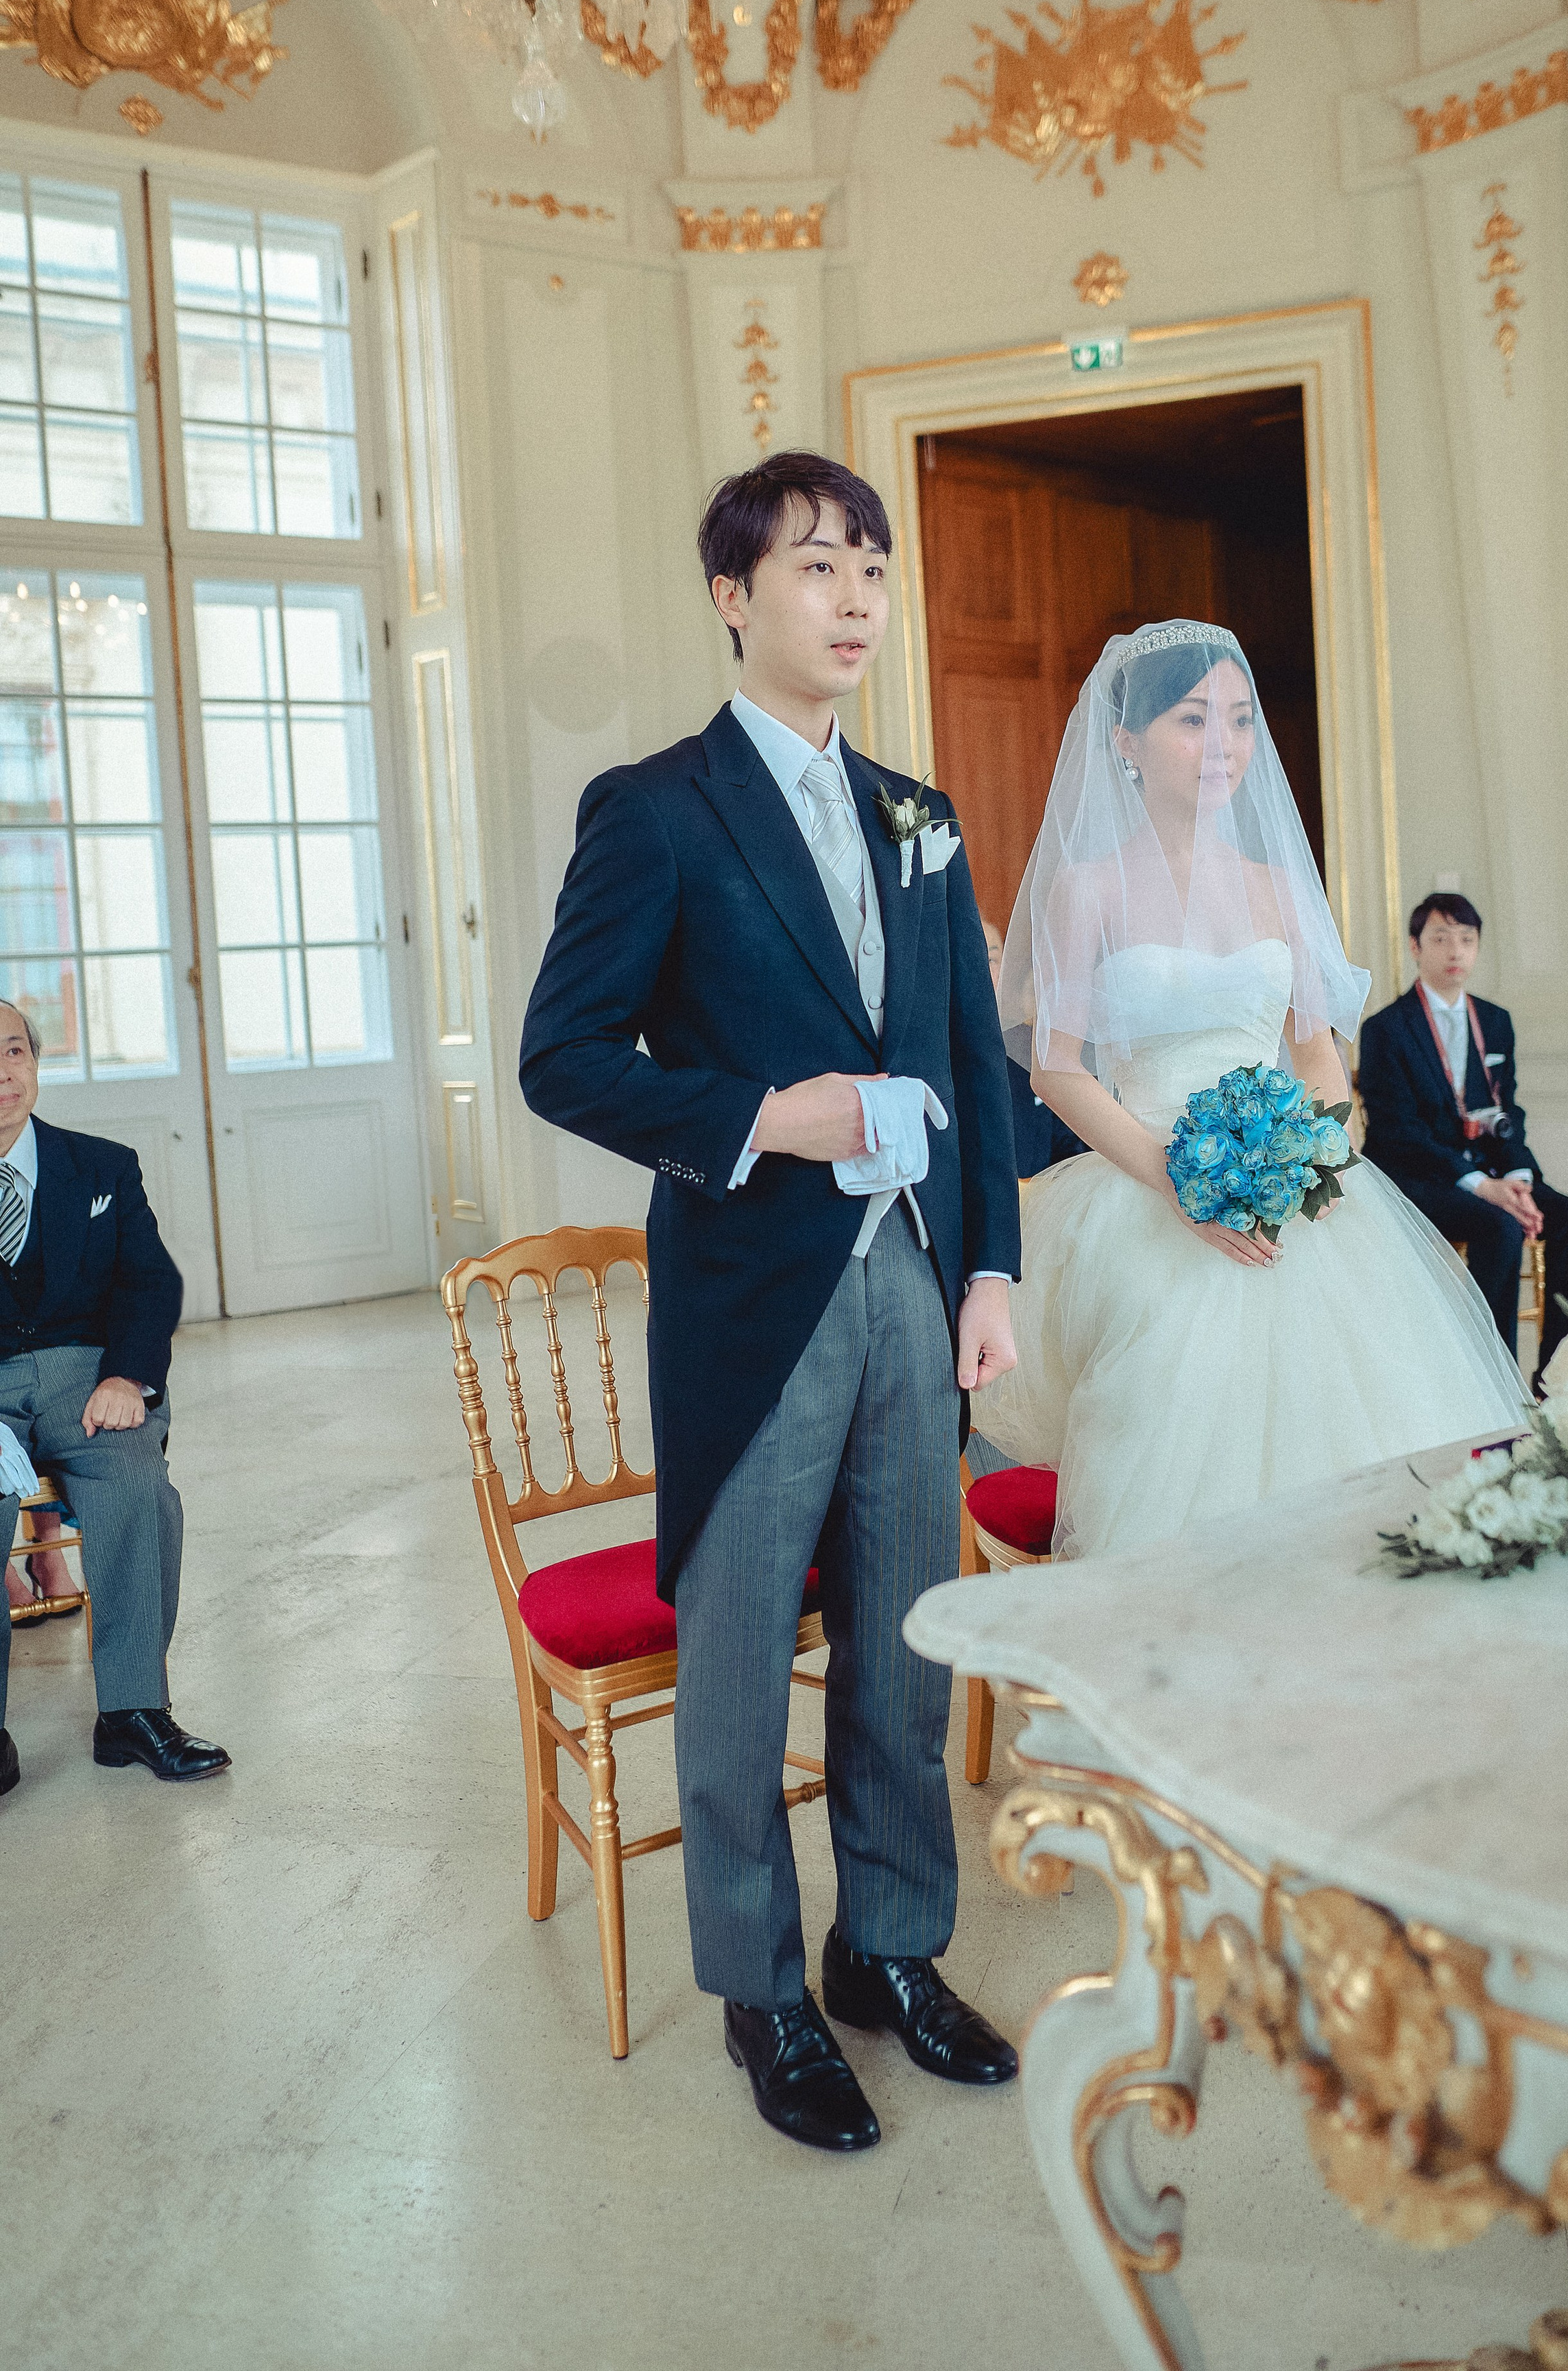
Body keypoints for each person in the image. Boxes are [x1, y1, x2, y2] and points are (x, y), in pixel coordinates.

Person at [520, 451, 1022, 2154]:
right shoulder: (653, 808)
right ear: (734, 596)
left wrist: (993, 1269)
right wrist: (755, 1116)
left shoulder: (919, 810)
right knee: (736, 1649)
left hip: (911, 1285)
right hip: (750, 1293)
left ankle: (887, 1947)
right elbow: (563, 1055)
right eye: (820, 565)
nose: (859, 594)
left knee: (901, 1630)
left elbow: (966, 1056)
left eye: (874, 565)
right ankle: (757, 1987)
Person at [974, 621, 1528, 1562]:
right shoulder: (1088, 889)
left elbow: (1317, 1060)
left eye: (1238, 719)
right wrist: (1184, 1181)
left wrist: (1298, 1169)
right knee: (1176, 1449)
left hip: (1296, 1195)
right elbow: (1057, 1066)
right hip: (1147, 1187)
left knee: (1364, 1439)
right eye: (1194, 720)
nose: (1224, 743)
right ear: (1126, 742)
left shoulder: (1277, 888)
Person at [0, 1000, 229, 1800]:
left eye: (15, 1051)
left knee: (138, 1485)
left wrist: (129, 1375)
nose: (3, 1074)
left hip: (85, 1377)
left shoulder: (103, 1167)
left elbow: (148, 1282)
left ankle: (132, 1711)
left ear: (34, 1062)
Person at [1357, 893, 1568, 1384]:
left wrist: (1518, 1180)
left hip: (1491, 1173)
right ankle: (1494, 1383)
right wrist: (1480, 1186)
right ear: (1414, 947)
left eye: (1467, 940)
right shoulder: (1385, 1028)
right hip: (1416, 1178)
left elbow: (1507, 1110)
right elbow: (1397, 1131)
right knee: (1500, 1226)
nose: (1455, 951)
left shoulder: (1494, 1021)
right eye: (1441, 938)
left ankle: (1556, 1378)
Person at [982, 919, 1085, 1178]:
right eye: (973, 955)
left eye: (992, 959)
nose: (984, 970)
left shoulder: (1032, 1046)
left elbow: (1070, 1141)